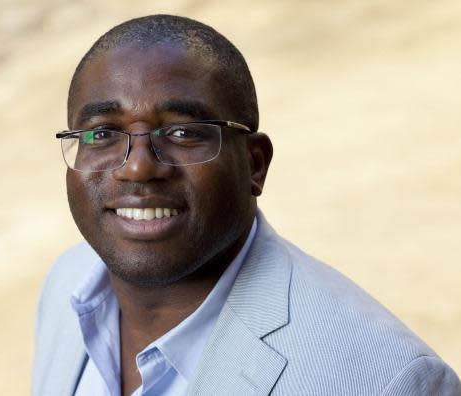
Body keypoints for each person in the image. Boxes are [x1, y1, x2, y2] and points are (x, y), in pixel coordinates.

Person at [32, 14, 460, 396]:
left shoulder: (389, 380)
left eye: (184, 133)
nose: (139, 168)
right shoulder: (68, 285)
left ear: (255, 165)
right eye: (103, 133)